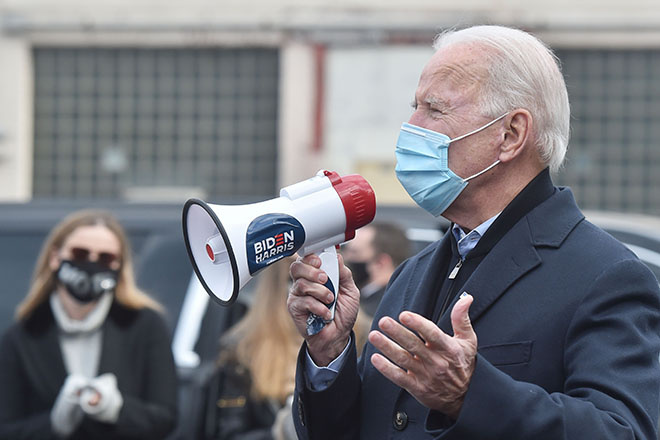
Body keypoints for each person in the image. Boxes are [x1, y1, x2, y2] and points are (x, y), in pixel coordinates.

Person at [286, 25, 660, 440]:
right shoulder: (412, 273)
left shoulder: (603, 275)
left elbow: (624, 431)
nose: (411, 126)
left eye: (435, 109)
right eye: (415, 106)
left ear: (511, 134)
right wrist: (330, 352)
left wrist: (471, 394)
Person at [0, 210, 178, 439]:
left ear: (118, 266)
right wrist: (56, 423)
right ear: (55, 257)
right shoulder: (22, 336)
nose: (91, 263)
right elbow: (6, 429)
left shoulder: (144, 325)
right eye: (80, 253)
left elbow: (165, 418)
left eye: (105, 258)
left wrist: (114, 409)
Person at [200, 256, 369, 440]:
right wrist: (281, 432)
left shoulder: (366, 337)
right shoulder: (244, 348)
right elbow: (228, 431)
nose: (313, 291)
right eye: (297, 279)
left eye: (321, 277)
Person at [342, 222, 411, 317]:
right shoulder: (365, 294)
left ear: (381, 263)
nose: (345, 258)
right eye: (346, 250)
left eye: (355, 253)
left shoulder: (384, 309)